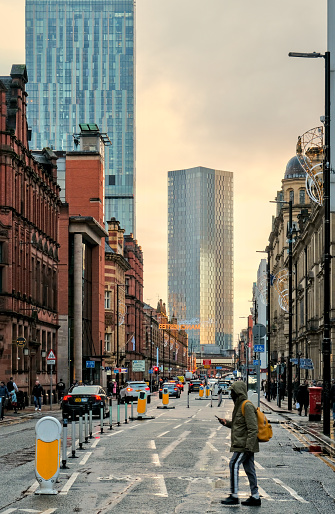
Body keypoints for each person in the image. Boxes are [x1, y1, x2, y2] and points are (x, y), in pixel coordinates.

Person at [217, 381, 261, 507]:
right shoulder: (240, 405)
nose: (231, 394)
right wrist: (227, 423)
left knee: (233, 464)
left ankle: (234, 495)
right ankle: (255, 496)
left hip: (244, 445)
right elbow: (239, 425)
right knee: (250, 470)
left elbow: (253, 428)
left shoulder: (246, 405)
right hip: (244, 443)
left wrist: (248, 446)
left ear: (238, 393)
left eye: (232, 392)